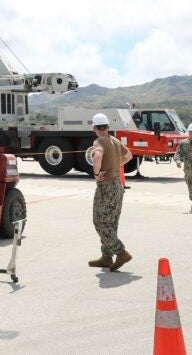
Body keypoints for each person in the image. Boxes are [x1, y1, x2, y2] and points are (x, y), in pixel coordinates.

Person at [88, 113, 133, 272]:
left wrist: (96, 172)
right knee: (112, 222)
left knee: (100, 222)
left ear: (94, 128)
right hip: (117, 186)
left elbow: (97, 156)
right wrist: (116, 165)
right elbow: (129, 155)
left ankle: (121, 252)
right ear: (107, 127)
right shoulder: (114, 140)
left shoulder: (98, 141)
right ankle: (106, 257)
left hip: (106, 187)